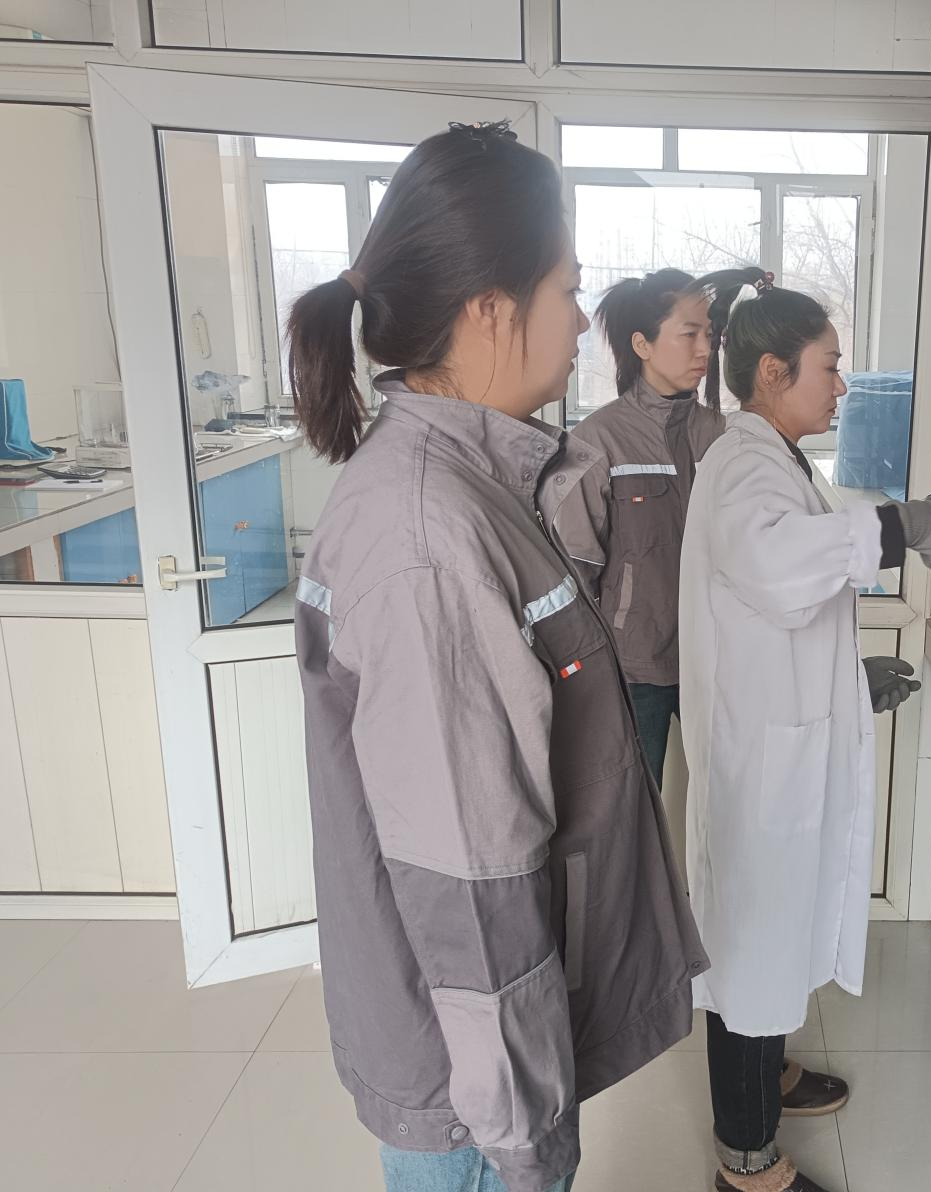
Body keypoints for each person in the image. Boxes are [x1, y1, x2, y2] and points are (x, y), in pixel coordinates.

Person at [289, 121, 707, 1192]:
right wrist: (525, 1138)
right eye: (566, 291)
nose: (578, 322)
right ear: (489, 309)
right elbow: (467, 888)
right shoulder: (431, 536)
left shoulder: (470, 488)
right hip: (473, 1093)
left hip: (480, 1060)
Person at [678, 280, 931, 1192]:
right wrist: (900, 527)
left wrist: (847, 682)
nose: (841, 386)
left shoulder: (775, 458)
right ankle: (747, 1159)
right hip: (761, 763)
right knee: (752, 946)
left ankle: (767, 1076)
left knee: (772, 935)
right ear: (773, 370)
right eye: (830, 366)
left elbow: (783, 604)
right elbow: (776, 566)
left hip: (780, 737)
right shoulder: (743, 465)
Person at [556, 266, 767, 781]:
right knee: (636, 802)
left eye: (709, 336)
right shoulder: (597, 442)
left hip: (717, 658)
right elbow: (576, 572)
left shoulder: (723, 435)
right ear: (642, 345)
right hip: (636, 668)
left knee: (732, 799)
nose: (704, 350)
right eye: (689, 334)